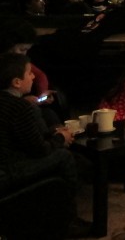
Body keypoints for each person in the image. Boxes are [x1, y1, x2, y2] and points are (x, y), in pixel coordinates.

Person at [0, 52, 90, 238]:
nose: (33, 76)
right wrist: (60, 139)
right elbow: (40, 150)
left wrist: (54, 135)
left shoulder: (12, 103)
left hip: (9, 163)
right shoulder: (19, 107)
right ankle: (68, 220)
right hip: (8, 172)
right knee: (64, 157)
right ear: (17, 82)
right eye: (29, 73)